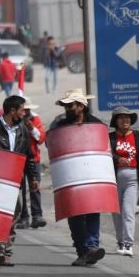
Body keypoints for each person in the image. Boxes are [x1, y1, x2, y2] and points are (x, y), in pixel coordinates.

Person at [0, 95, 39, 267]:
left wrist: (33, 177)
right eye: (21, 110)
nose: (24, 113)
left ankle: (6, 249)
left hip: (14, 181)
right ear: (13, 111)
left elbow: (28, 157)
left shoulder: (22, 131)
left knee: (14, 214)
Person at [50, 89, 106, 266]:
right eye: (65, 105)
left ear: (81, 106)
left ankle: (92, 246)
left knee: (92, 210)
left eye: (70, 105)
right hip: (70, 175)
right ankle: (83, 250)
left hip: (91, 174)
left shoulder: (96, 124)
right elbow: (51, 143)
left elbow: (104, 148)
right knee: (74, 213)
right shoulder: (60, 125)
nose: (67, 108)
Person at [109, 107, 139, 257]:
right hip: (114, 178)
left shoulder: (138, 136)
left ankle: (128, 243)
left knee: (128, 211)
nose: (125, 120)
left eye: (127, 117)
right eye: (121, 117)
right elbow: (106, 153)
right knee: (116, 212)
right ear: (116, 121)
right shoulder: (110, 137)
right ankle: (120, 241)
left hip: (133, 178)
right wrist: (118, 159)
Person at [16, 99, 47, 229]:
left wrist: (30, 127)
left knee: (35, 187)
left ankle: (37, 215)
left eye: (27, 110)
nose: (25, 113)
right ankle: (23, 217)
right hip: (19, 158)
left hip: (34, 158)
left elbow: (40, 139)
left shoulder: (35, 119)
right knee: (21, 189)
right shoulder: (14, 120)